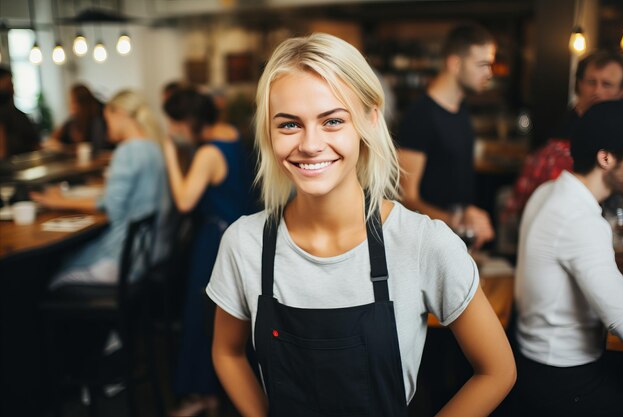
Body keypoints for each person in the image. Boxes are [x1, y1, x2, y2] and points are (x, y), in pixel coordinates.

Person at [207, 33, 515, 417]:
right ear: (268, 132)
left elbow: (498, 371)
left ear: (370, 119)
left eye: (332, 120)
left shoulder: (422, 242)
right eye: (289, 125)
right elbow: (226, 351)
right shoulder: (244, 243)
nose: (311, 144)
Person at [514, 100, 623, 417]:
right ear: (606, 158)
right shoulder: (581, 220)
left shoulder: (549, 191)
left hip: (535, 366)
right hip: (564, 382)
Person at [162, 88, 254, 417]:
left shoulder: (208, 154)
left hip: (214, 240)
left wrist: (170, 153)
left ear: (187, 122)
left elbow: (185, 200)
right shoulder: (232, 135)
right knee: (224, 317)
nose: (171, 130)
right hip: (237, 235)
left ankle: (202, 395)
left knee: (201, 316)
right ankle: (215, 392)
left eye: (173, 123)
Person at [31, 90, 171, 288]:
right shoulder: (154, 147)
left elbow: (110, 206)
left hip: (122, 261)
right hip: (150, 253)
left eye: (108, 119)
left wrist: (58, 201)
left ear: (120, 114)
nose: (107, 127)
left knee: (52, 279)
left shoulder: (127, 151)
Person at [397, 23, 496, 250]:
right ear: (455, 63)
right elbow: (406, 198)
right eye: (482, 65)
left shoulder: (460, 109)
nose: (489, 73)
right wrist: (457, 221)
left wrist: (468, 216)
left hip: (454, 243)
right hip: (426, 245)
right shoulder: (420, 116)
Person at [504, 50, 623, 220]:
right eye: (591, 82)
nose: (597, 91)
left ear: (622, 91)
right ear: (579, 85)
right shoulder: (557, 137)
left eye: (606, 84)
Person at [45, 84, 110, 154]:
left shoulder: (97, 122)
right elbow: (52, 139)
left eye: (73, 102)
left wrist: (64, 148)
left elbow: (96, 150)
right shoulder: (72, 121)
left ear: (83, 104)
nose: (69, 105)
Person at [0, 66, 40, 159]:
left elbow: (35, 144)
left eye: (11, 84)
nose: (12, 88)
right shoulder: (9, 113)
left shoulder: (16, 114)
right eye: (9, 84)